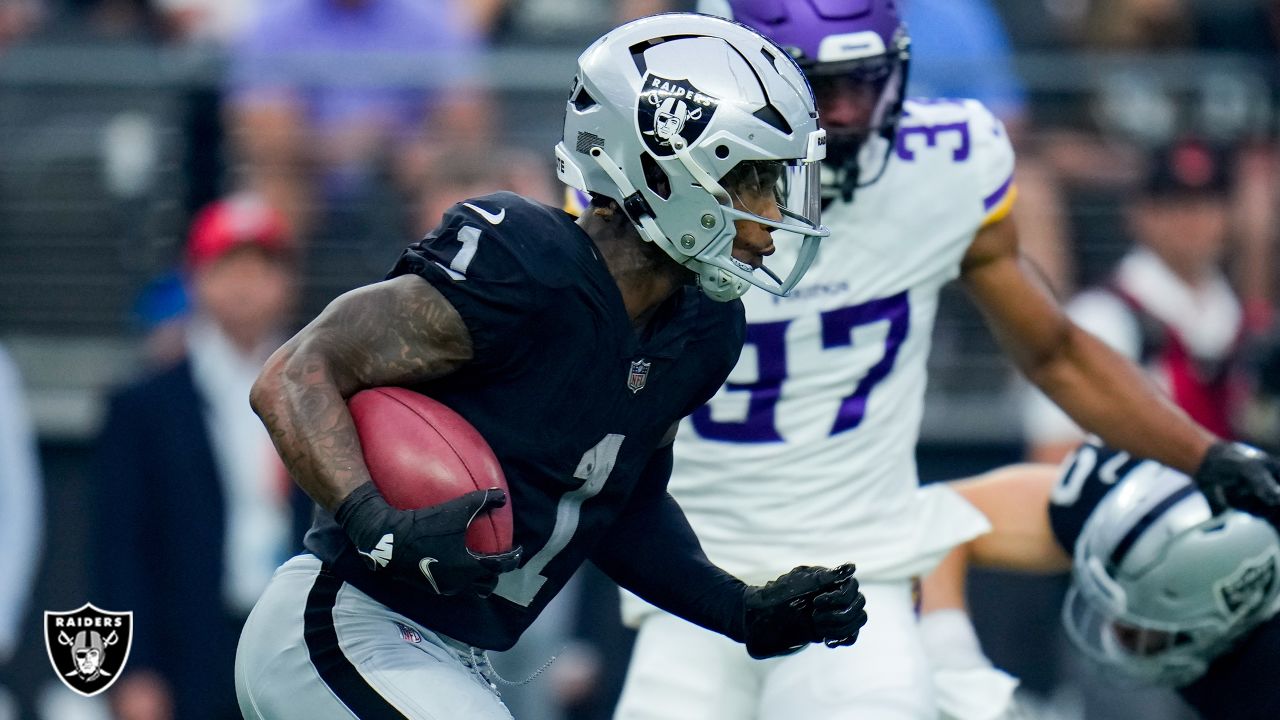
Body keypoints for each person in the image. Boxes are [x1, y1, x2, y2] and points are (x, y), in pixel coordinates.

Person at [612, 3, 1280, 720]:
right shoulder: (658, 175)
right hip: (690, 572)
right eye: (816, 86)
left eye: (862, 82)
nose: (843, 111)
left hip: (859, 567)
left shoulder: (945, 163)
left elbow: (1054, 352)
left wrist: (1204, 456)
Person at [234, 14, 866, 720]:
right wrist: (377, 523)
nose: (773, 213)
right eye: (754, 180)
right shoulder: (525, 267)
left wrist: (743, 611)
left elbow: (622, 511)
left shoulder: (701, 328)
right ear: (670, 168)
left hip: (449, 654)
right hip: (342, 625)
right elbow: (294, 373)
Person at [94, 193, 311, 720]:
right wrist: (130, 667)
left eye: (262, 266)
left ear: (286, 283)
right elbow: (119, 546)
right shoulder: (146, 404)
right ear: (195, 278)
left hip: (297, 642)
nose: (244, 284)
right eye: (227, 265)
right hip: (188, 645)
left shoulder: (319, 392)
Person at [920, 440, 1280, 720]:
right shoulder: (1137, 505)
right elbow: (938, 516)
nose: (1116, 628)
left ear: (1236, 601)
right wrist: (956, 663)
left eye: (1143, 617)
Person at [1025, 137, 1247, 464]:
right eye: (1173, 206)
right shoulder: (1100, 317)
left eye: (1207, 204)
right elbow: (1052, 455)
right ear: (1140, 214)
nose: (1192, 221)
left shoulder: (1245, 325)